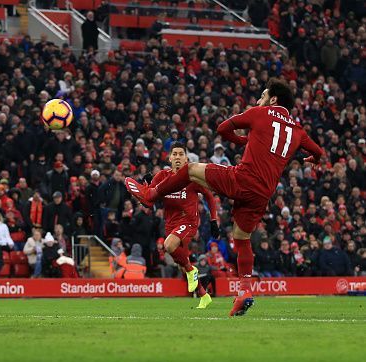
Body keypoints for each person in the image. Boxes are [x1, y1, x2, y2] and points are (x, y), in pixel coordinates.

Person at [125, 78, 324, 316]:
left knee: (189, 170)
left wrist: (244, 140)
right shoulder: (298, 131)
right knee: (241, 239)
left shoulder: (259, 113)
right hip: (263, 195)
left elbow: (222, 129)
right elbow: (318, 151)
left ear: (273, 100)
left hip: (241, 179)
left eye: (262, 95)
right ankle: (244, 292)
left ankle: (151, 195)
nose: (258, 100)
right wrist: (314, 160)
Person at [148, 142, 219, 309]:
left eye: (181, 154)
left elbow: (209, 197)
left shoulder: (192, 177)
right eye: (175, 154)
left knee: (169, 245)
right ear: (170, 157)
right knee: (181, 262)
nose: (178, 157)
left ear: (186, 158)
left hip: (188, 221)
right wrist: (143, 195)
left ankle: (192, 270)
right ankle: (204, 295)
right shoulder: (161, 177)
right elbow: (149, 197)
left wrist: (214, 220)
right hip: (170, 224)